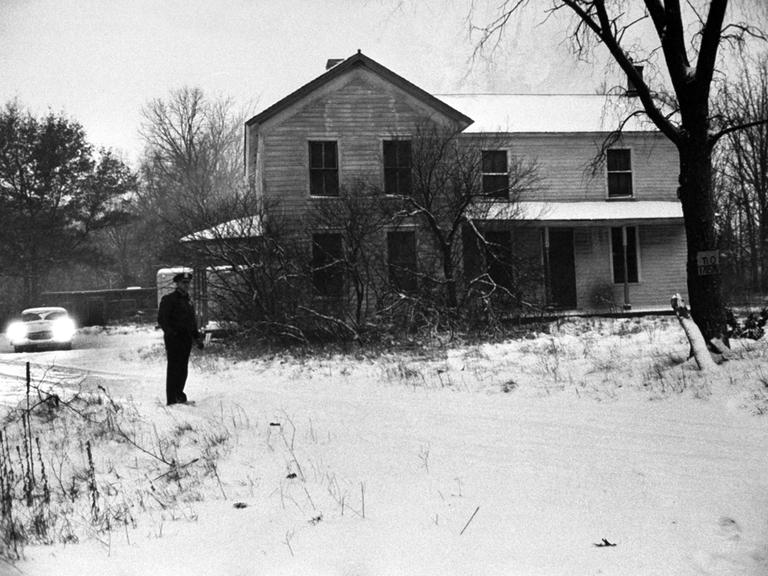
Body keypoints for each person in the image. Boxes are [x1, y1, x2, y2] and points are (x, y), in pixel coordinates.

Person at [157, 272, 204, 405]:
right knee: (174, 369)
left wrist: (197, 338)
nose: (186, 285)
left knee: (183, 369)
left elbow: (191, 322)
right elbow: (162, 320)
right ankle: (171, 399)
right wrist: (171, 333)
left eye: (188, 283)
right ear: (177, 284)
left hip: (186, 339)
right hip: (174, 340)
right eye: (183, 283)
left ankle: (179, 395)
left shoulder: (188, 300)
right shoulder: (169, 299)